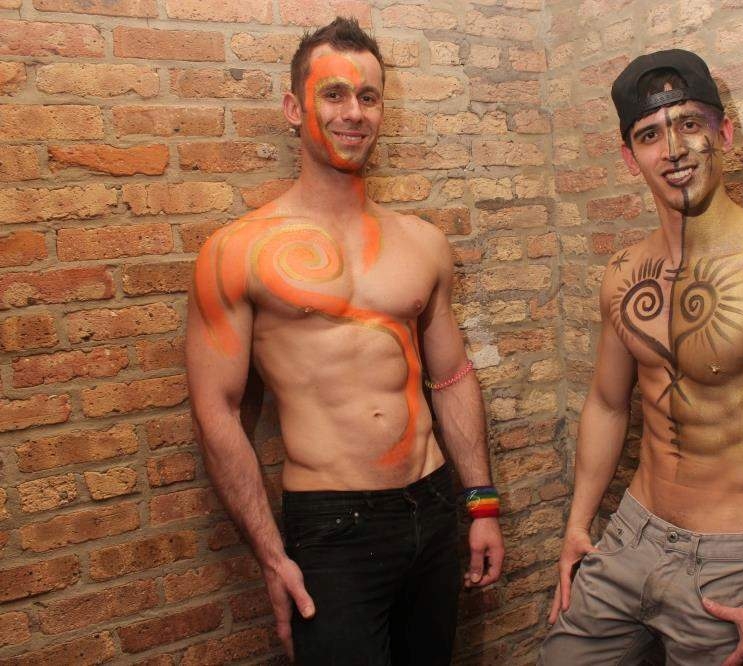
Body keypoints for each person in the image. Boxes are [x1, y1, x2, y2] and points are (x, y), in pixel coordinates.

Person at [185, 17, 504, 665]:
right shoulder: (238, 251)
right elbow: (216, 410)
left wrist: (481, 503)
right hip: (332, 525)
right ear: (293, 108)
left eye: (368, 96)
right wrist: (272, 556)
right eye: (333, 94)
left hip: (434, 503)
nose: (353, 112)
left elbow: (451, 377)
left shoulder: (422, 243)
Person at [541, 49, 743, 665]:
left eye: (690, 124)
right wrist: (579, 524)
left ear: (725, 135)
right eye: (649, 135)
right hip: (628, 533)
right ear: (630, 158)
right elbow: (607, 404)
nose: (674, 149)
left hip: (732, 562)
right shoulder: (624, 273)